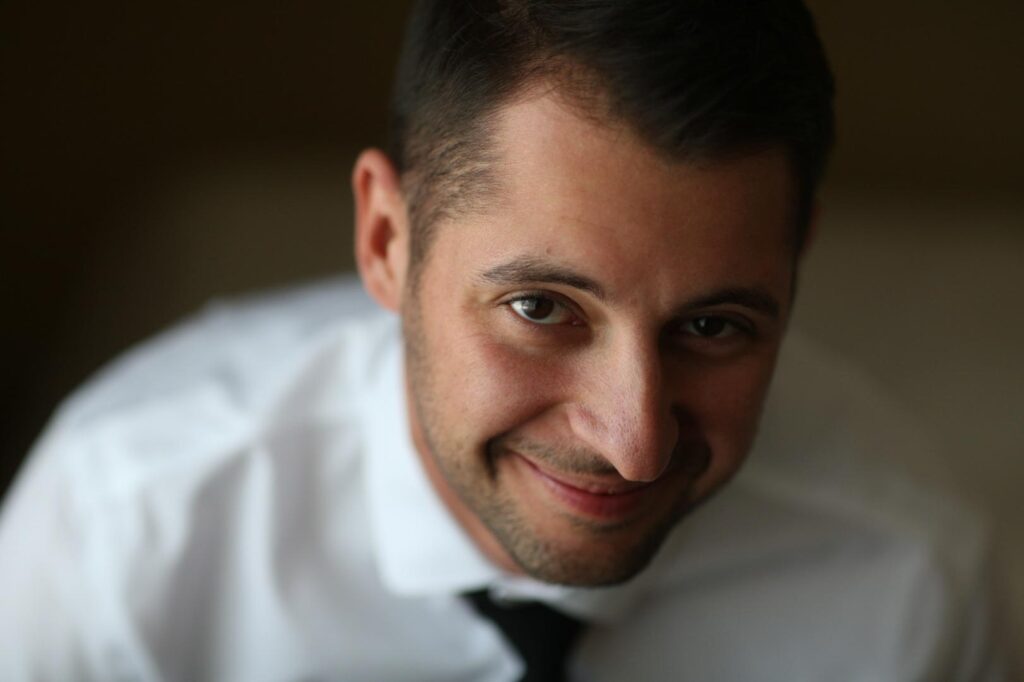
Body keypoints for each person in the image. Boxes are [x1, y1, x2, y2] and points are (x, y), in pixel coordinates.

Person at [0, 0, 1006, 680]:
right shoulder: (125, 531)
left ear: (795, 261)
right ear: (386, 241)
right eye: (540, 308)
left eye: (712, 326)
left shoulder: (913, 584)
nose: (634, 444)